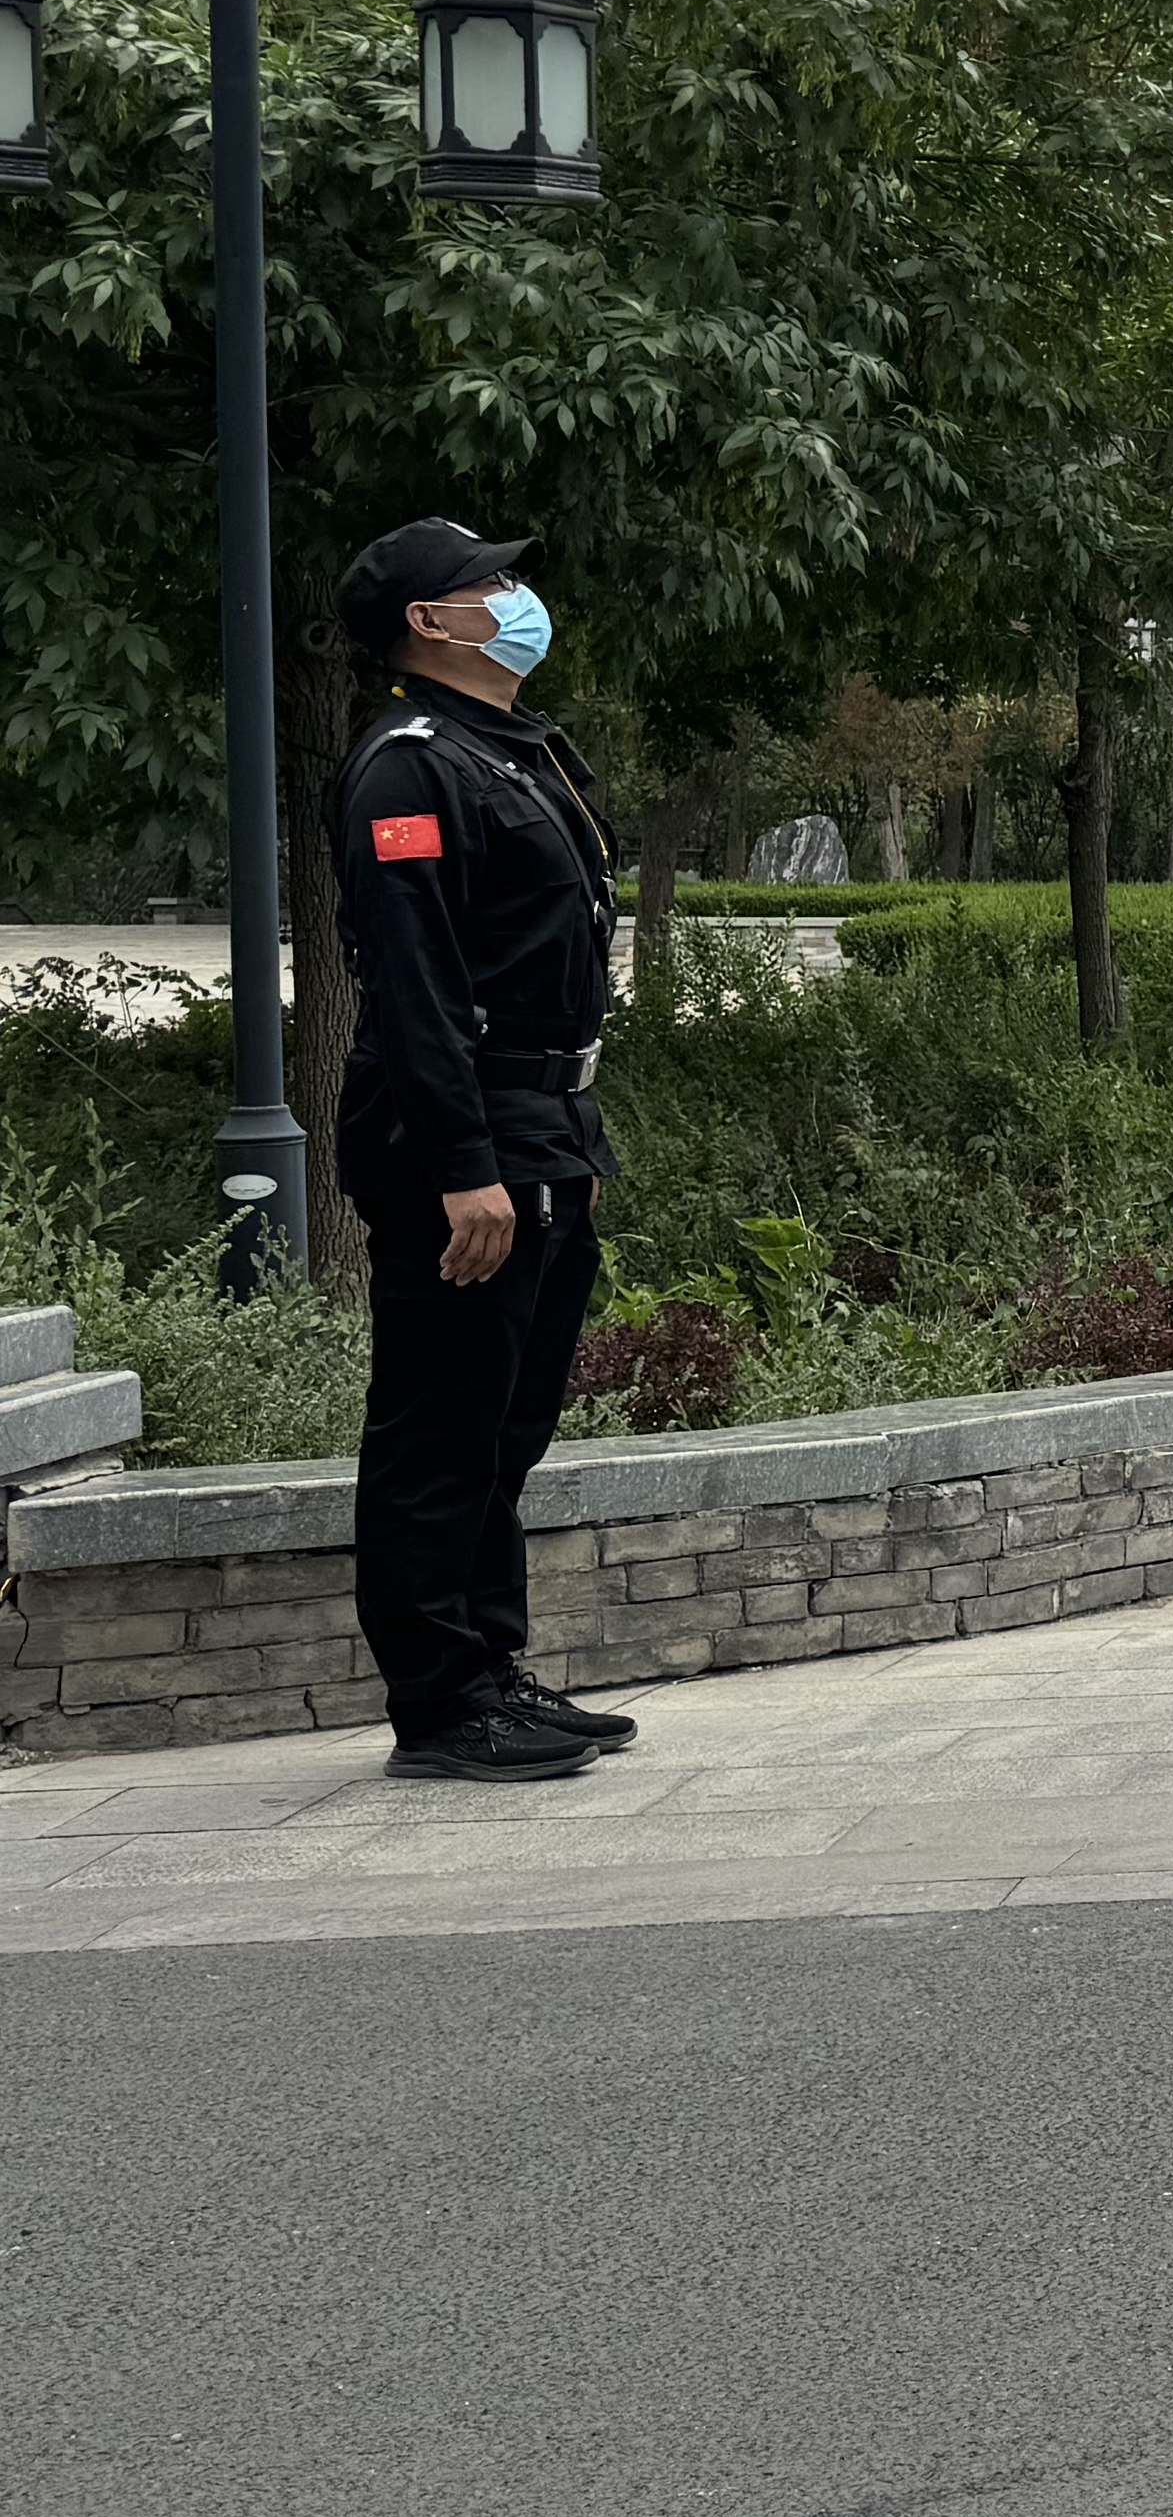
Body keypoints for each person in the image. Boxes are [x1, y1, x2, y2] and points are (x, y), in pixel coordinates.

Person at [328, 517, 643, 1783]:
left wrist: (554, 1148)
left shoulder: (511, 750)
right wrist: (465, 1167)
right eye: (492, 583)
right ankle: (439, 1703)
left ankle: (490, 1668)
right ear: (430, 621)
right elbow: (414, 985)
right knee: (440, 1423)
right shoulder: (408, 769)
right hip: (461, 1134)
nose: (518, 597)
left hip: (544, 1121)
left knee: (507, 1423)